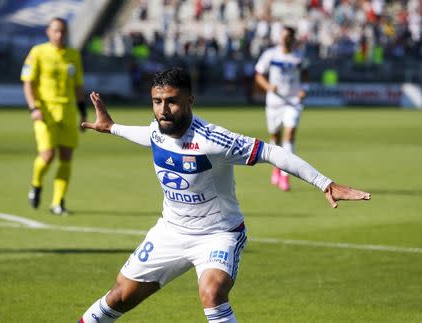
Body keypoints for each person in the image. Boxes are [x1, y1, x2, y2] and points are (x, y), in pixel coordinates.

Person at [77, 68, 370, 322]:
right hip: (170, 231)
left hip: (218, 234)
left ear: (189, 100)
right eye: (157, 102)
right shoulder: (158, 131)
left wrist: (325, 183)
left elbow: (270, 151)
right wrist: (112, 127)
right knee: (120, 297)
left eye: (172, 102)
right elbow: (146, 134)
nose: (163, 110)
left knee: (212, 292)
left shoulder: (212, 140)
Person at [21, 17, 87, 215]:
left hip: (67, 111)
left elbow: (78, 86)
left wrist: (83, 114)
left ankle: (57, 203)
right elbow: (28, 83)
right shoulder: (38, 52)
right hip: (45, 111)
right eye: (56, 31)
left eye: (63, 31)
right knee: (48, 156)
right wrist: (34, 108)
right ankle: (36, 184)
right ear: (48, 32)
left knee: (66, 157)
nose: (59, 35)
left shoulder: (73, 55)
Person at [255, 26, 309, 191]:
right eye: (283, 36)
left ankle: (286, 176)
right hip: (274, 103)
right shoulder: (270, 55)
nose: (285, 39)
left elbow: (306, 74)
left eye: (288, 37)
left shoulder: (299, 57)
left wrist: (304, 89)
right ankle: (276, 167)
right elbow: (258, 74)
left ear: (293, 39)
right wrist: (268, 86)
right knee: (275, 138)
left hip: (293, 102)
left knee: (290, 135)